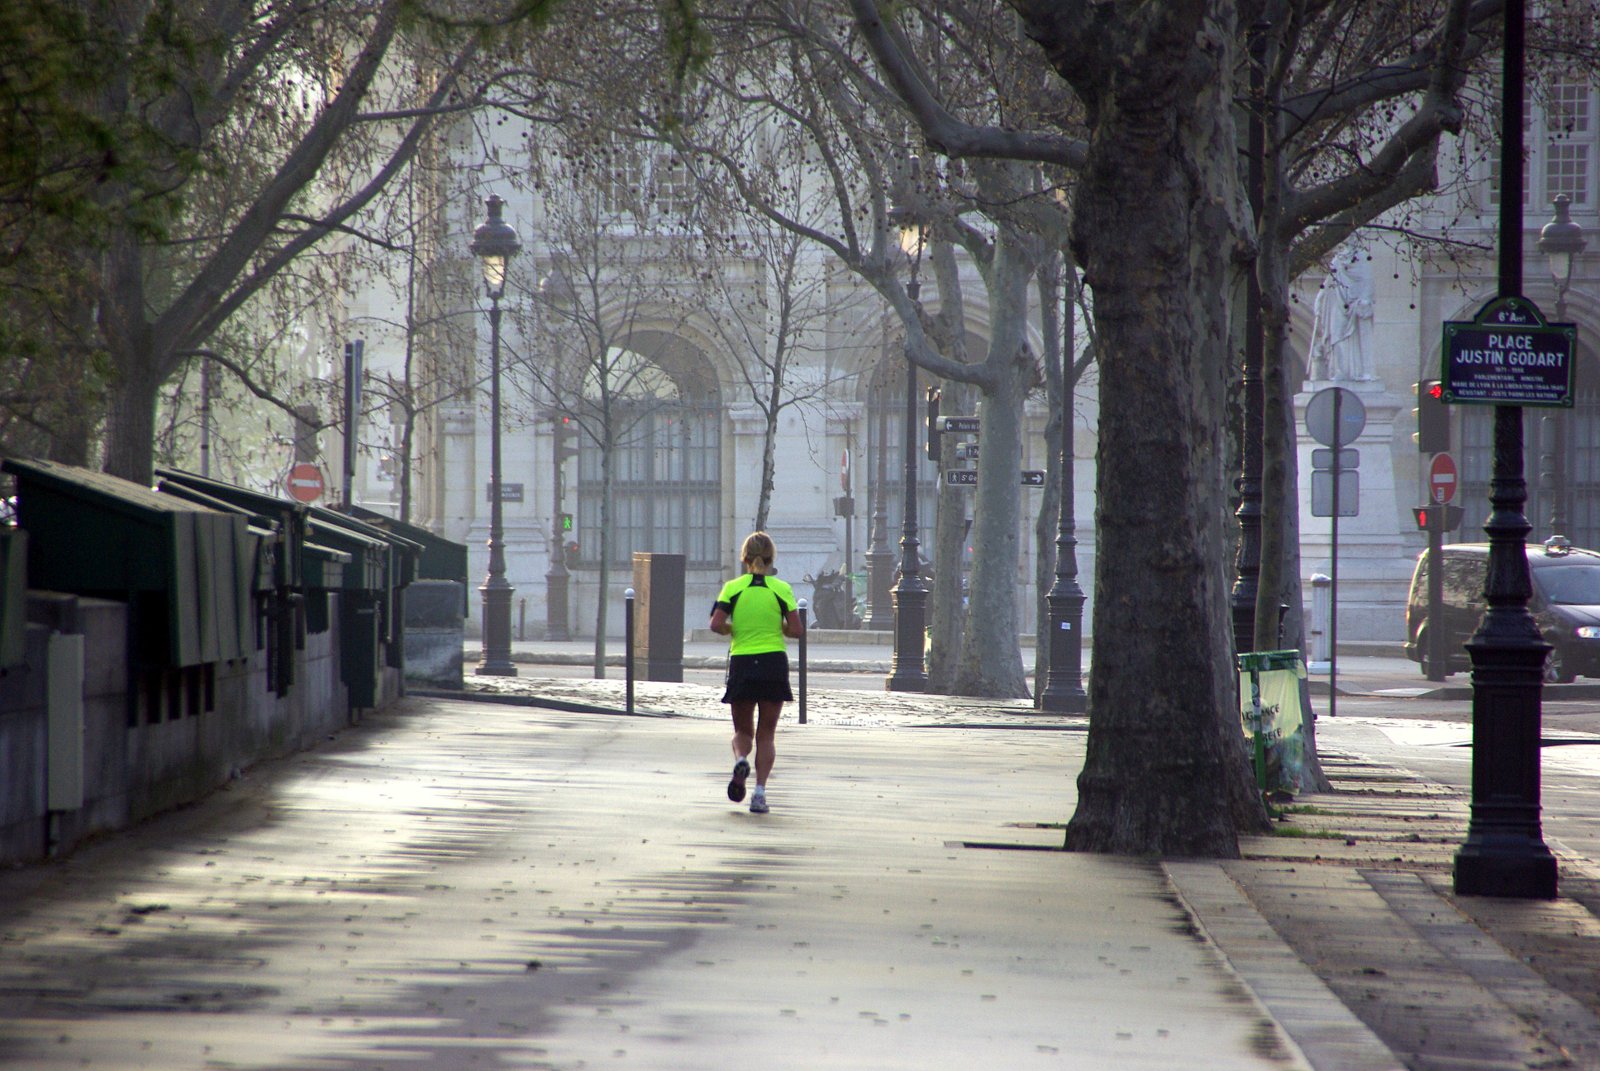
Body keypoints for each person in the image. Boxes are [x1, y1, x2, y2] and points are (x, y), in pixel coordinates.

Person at [710, 531, 804, 814]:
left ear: (745, 558)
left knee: (742, 731)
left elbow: (715, 624)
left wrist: (731, 629)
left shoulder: (732, 588)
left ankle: (741, 759)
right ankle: (760, 794)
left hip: (742, 661)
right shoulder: (782, 589)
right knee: (767, 734)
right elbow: (797, 630)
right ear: (771, 557)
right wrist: (782, 628)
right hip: (773, 662)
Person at [1307, 246, 1376, 383]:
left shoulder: (1361, 256)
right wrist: (1319, 300)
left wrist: (1365, 299)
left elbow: (1368, 280)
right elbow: (1328, 281)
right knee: (1336, 336)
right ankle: (1339, 370)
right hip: (1335, 301)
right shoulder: (1337, 259)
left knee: (1348, 337)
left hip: (1353, 303)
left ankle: (1352, 371)